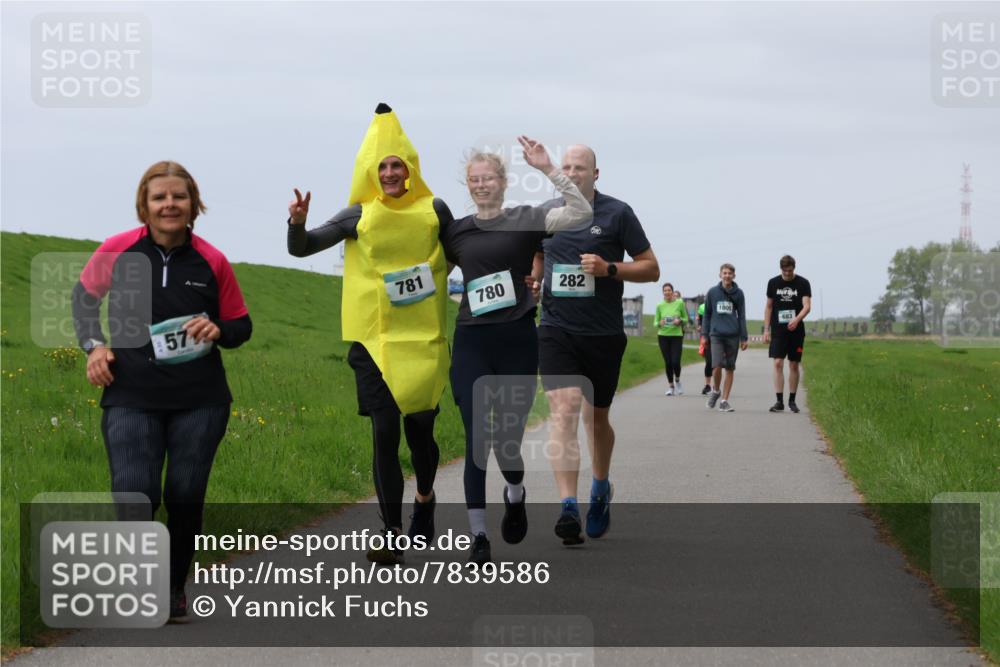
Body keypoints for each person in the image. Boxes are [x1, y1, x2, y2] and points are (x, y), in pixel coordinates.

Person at [72, 160, 253, 622]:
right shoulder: (116, 250)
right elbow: (83, 300)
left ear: (193, 203)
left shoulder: (211, 260)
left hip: (201, 399)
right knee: (135, 492)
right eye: (159, 197)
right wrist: (94, 347)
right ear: (144, 206)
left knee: (185, 495)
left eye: (179, 196)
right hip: (130, 392)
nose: (169, 204)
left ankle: (173, 588)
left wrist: (217, 328)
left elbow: (240, 324)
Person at [287, 103, 451, 565]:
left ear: (411, 169)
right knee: (384, 435)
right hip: (374, 342)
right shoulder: (357, 214)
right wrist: (297, 221)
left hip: (421, 342)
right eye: (382, 166)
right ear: (370, 173)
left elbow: (466, 249)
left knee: (421, 437)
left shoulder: (434, 210)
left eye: (397, 164)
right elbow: (303, 248)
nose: (391, 172)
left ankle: (424, 498)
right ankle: (392, 531)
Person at [443, 139, 592, 565]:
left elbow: (581, 212)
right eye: (473, 180)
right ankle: (478, 536)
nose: (481, 184)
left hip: (516, 341)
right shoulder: (456, 232)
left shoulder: (527, 219)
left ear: (504, 182)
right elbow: (428, 271)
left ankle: (515, 492)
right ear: (467, 185)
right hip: (472, 339)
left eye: (488, 177)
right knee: (476, 437)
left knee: (507, 443)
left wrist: (548, 168)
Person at [534, 144, 660, 545]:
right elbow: (537, 258)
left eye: (580, 167)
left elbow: (651, 268)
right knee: (565, 409)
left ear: (596, 173)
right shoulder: (547, 214)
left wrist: (609, 268)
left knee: (595, 419)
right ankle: (568, 506)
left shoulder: (617, 213)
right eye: (566, 166)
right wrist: (532, 277)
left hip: (603, 334)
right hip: (555, 329)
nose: (572, 172)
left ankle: (600, 487)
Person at [764, 255, 812, 413]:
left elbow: (807, 306)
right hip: (778, 330)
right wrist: (766, 330)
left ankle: (792, 400)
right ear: (781, 269)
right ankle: (779, 401)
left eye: (790, 271)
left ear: (794, 268)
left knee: (793, 364)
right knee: (778, 363)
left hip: (796, 330)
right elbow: (769, 307)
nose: (787, 274)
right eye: (785, 271)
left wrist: (797, 319)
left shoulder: (803, 283)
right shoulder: (773, 283)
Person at [701, 263, 748, 412]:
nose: (727, 275)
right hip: (716, 334)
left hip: (732, 335)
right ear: (720, 275)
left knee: (730, 368)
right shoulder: (712, 292)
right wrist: (704, 335)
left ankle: (724, 401)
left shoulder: (739, 294)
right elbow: (706, 315)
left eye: (730, 273)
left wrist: (744, 338)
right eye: (724, 273)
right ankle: (716, 390)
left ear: (734, 276)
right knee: (716, 366)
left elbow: (742, 316)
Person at [655, 282, 688, 395]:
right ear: (663, 292)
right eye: (665, 290)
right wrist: (660, 323)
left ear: (673, 292)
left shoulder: (679, 303)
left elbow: (686, 319)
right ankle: (671, 386)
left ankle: (677, 380)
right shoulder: (660, 305)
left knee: (675, 361)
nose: (667, 292)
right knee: (668, 362)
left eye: (669, 290)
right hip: (663, 336)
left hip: (676, 336)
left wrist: (680, 321)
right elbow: (655, 322)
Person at [695, 300, 713, 394]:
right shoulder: (702, 307)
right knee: (709, 361)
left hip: (718, 335)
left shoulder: (718, 305)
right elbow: (700, 320)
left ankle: (716, 386)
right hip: (706, 336)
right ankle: (708, 385)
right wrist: (699, 326)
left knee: (717, 363)